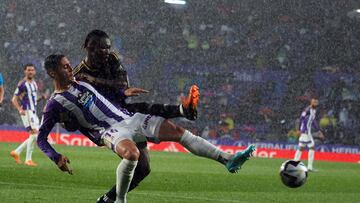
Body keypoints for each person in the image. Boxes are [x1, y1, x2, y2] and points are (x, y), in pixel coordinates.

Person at [39, 54, 256, 203]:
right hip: (110, 131)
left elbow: (105, 97)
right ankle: (121, 200)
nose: (69, 67)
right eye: (64, 66)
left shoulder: (81, 81)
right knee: (132, 155)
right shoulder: (54, 103)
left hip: (130, 118)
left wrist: (123, 94)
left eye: (69, 64)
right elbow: (41, 138)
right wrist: (55, 156)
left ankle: (228, 160)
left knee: (178, 133)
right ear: (52, 73)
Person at [72, 29, 197, 203]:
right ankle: (182, 110)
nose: (105, 51)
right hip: (107, 123)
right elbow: (74, 109)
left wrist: (95, 81)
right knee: (142, 109)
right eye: (99, 48)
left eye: (107, 47)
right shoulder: (77, 76)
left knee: (143, 169)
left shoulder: (111, 58)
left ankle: (107, 200)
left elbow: (122, 84)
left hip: (120, 107)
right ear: (87, 48)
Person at [10, 64, 46, 166]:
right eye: (28, 70)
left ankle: (16, 152)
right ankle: (28, 159)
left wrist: (41, 98)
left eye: (32, 70)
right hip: (27, 111)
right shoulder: (22, 84)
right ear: (25, 71)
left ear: (34, 72)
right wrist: (19, 109)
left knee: (34, 135)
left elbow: (32, 99)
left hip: (33, 110)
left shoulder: (34, 83)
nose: (30, 72)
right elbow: (14, 99)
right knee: (35, 134)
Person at [294, 98, 324, 172]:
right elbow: (300, 119)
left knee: (301, 147)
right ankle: (309, 167)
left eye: (316, 102)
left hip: (307, 132)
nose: (315, 103)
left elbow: (313, 121)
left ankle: (294, 164)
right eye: (314, 102)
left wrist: (318, 130)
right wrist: (298, 129)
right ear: (311, 102)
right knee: (312, 147)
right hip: (305, 131)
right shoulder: (307, 110)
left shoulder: (314, 110)